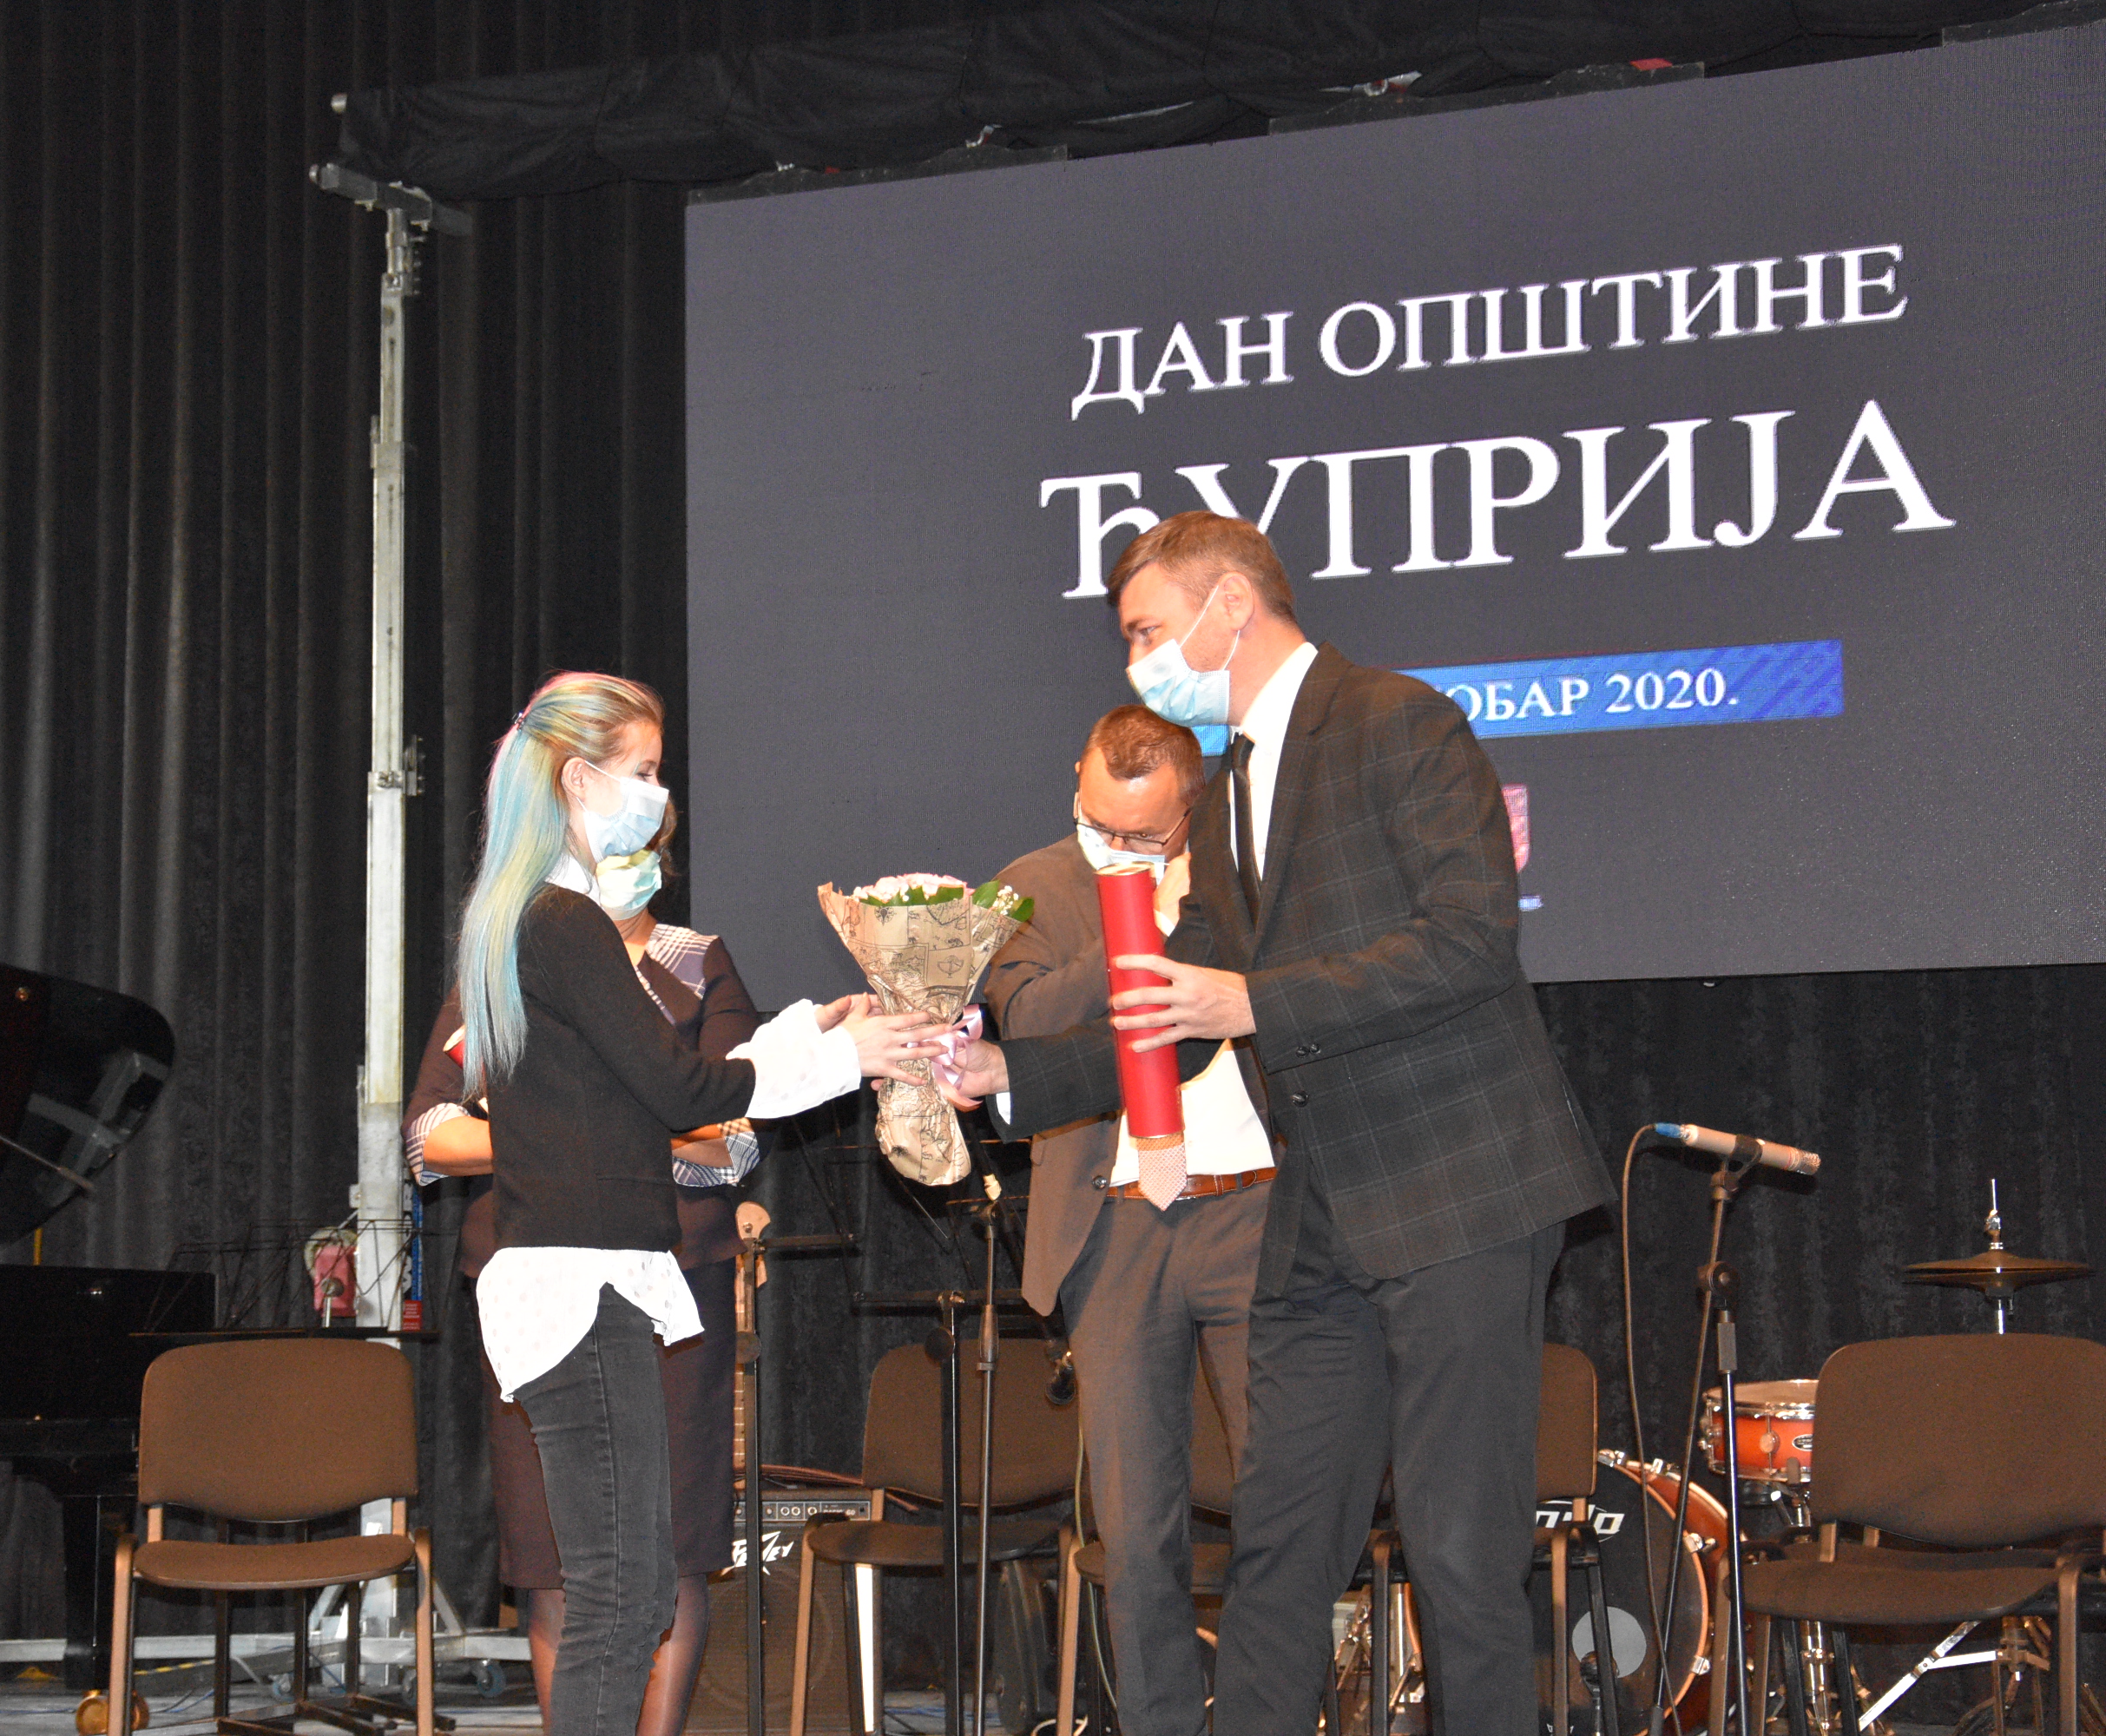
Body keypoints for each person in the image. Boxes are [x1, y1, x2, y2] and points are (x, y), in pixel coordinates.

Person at [951, 513, 1611, 1736]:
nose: (1138, 660)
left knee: (1459, 1553)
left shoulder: (1395, 719)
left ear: (1229, 608)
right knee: (1280, 1546)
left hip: (1459, 1187)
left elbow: (1469, 940)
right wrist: (1005, 1075)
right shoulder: (1226, 791)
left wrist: (1252, 1000)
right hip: (1320, 1214)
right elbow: (1179, 1015)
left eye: (1147, 629)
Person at [439, 671, 941, 1736]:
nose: (658, 795)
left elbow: (648, 1084)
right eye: (644, 770)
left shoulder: (531, 920)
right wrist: (844, 1057)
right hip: (579, 1284)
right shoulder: (562, 922)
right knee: (620, 1595)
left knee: (626, 1591)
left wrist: (806, 1035)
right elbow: (684, 1091)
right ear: (578, 779)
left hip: (586, 1276)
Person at [406, 828, 765, 1736]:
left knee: (667, 1551)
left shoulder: (695, 963)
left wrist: (563, 1120)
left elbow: (731, 1139)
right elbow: (430, 1134)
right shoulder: (508, 953)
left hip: (670, 1285)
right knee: (552, 1556)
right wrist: (575, 1130)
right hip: (534, 1279)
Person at [978, 704, 1267, 1736]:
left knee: (1286, 1503)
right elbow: (1026, 1016)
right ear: (1077, 779)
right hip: (1114, 1225)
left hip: (1257, 1210)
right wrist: (1137, 921)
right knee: (1136, 1528)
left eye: (1140, 833)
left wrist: (1200, 910)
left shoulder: (1246, 875)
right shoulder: (1027, 884)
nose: (1113, 844)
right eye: (1097, 821)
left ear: (1192, 807)